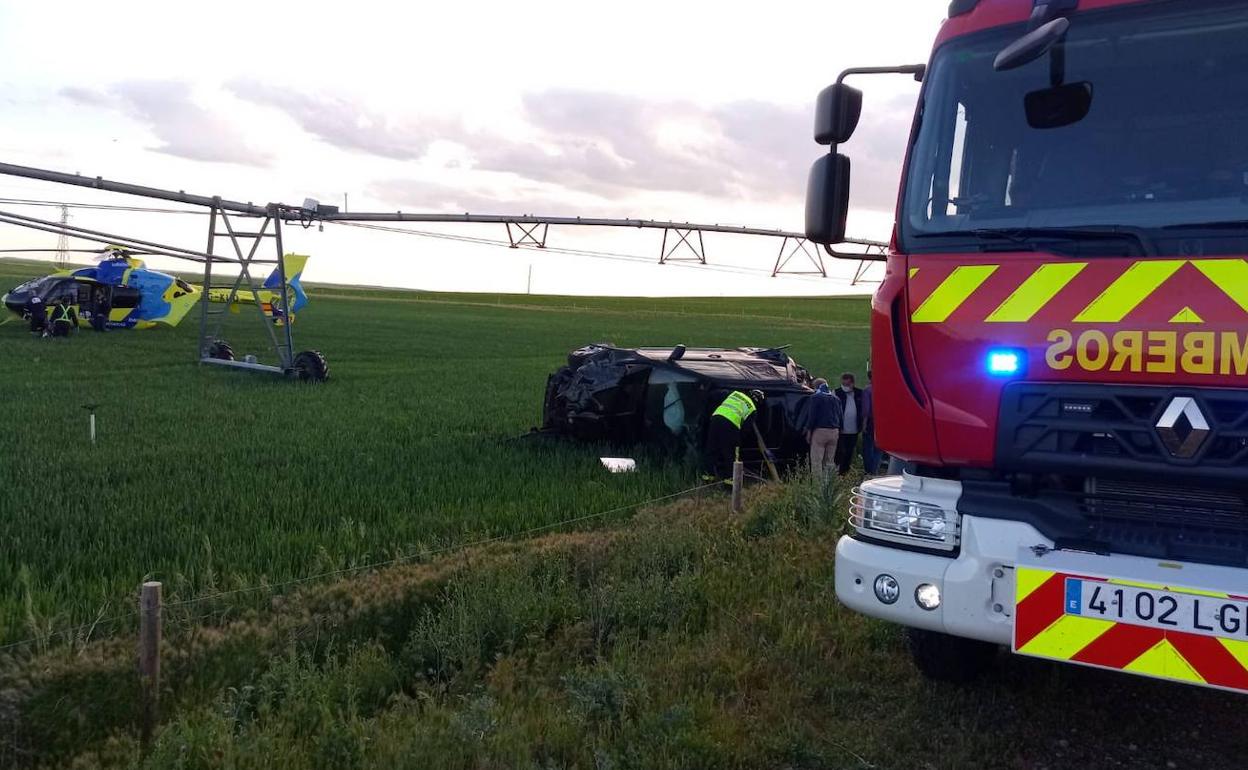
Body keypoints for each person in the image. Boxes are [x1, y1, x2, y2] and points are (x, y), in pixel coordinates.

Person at [702, 389, 765, 485]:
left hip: (716, 418)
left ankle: (708, 477)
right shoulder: (752, 408)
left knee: (711, 448)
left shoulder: (735, 393)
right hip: (731, 425)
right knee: (731, 454)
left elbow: (715, 394)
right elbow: (745, 429)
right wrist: (738, 441)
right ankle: (730, 481)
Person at [804, 378, 842, 481]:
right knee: (829, 461)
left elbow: (812, 416)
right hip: (834, 431)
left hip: (820, 431)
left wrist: (808, 431)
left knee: (817, 460)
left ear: (815, 386)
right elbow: (840, 415)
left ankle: (818, 485)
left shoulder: (815, 398)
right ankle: (829, 484)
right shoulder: (836, 398)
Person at [833, 372, 865, 475]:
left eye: (847, 385)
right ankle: (839, 471)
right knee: (841, 451)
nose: (844, 387)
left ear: (852, 383)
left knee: (850, 452)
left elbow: (863, 409)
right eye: (843, 384)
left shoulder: (859, 393)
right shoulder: (836, 392)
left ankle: (846, 471)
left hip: (854, 429)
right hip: (841, 428)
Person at [861, 368, 881, 475]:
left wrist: (864, 424)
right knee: (878, 447)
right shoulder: (883, 389)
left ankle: (869, 470)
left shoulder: (867, 390)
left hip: (871, 421)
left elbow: (866, 409)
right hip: (882, 421)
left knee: (868, 447)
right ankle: (875, 469)